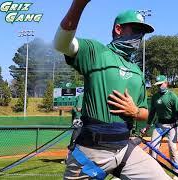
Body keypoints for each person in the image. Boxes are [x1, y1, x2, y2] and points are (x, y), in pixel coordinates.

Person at [53, 0, 171, 179]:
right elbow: (61, 44)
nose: (139, 37)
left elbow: (146, 113)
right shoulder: (96, 52)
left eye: (142, 33)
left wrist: (135, 111)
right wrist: (79, 4)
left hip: (125, 149)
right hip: (91, 152)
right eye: (136, 30)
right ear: (118, 29)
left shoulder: (137, 71)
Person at [141, 75, 178, 178]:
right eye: (158, 85)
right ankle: (153, 172)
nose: (159, 86)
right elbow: (152, 113)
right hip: (159, 126)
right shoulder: (155, 97)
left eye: (161, 84)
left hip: (172, 126)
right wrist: (147, 127)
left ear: (166, 83)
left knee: (172, 148)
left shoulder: (172, 96)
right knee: (153, 147)